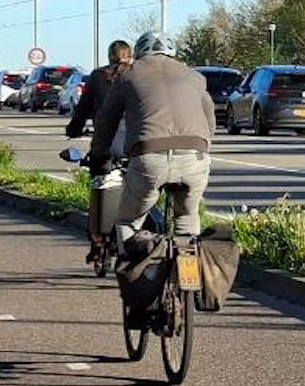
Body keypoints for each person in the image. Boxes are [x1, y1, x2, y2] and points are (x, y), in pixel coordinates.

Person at [89, 30, 213, 242]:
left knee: (129, 221)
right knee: (187, 216)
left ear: (138, 52)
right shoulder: (195, 76)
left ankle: (132, 272)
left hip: (149, 157)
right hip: (195, 157)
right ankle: (188, 267)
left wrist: (99, 158)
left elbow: (106, 121)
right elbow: (209, 120)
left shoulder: (127, 76)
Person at [66, 40, 132, 263]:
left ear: (110, 55)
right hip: (136, 144)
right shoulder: (137, 74)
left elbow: (83, 108)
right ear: (129, 55)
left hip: (106, 143)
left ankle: (97, 243)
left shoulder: (98, 76)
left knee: (99, 185)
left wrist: (74, 130)